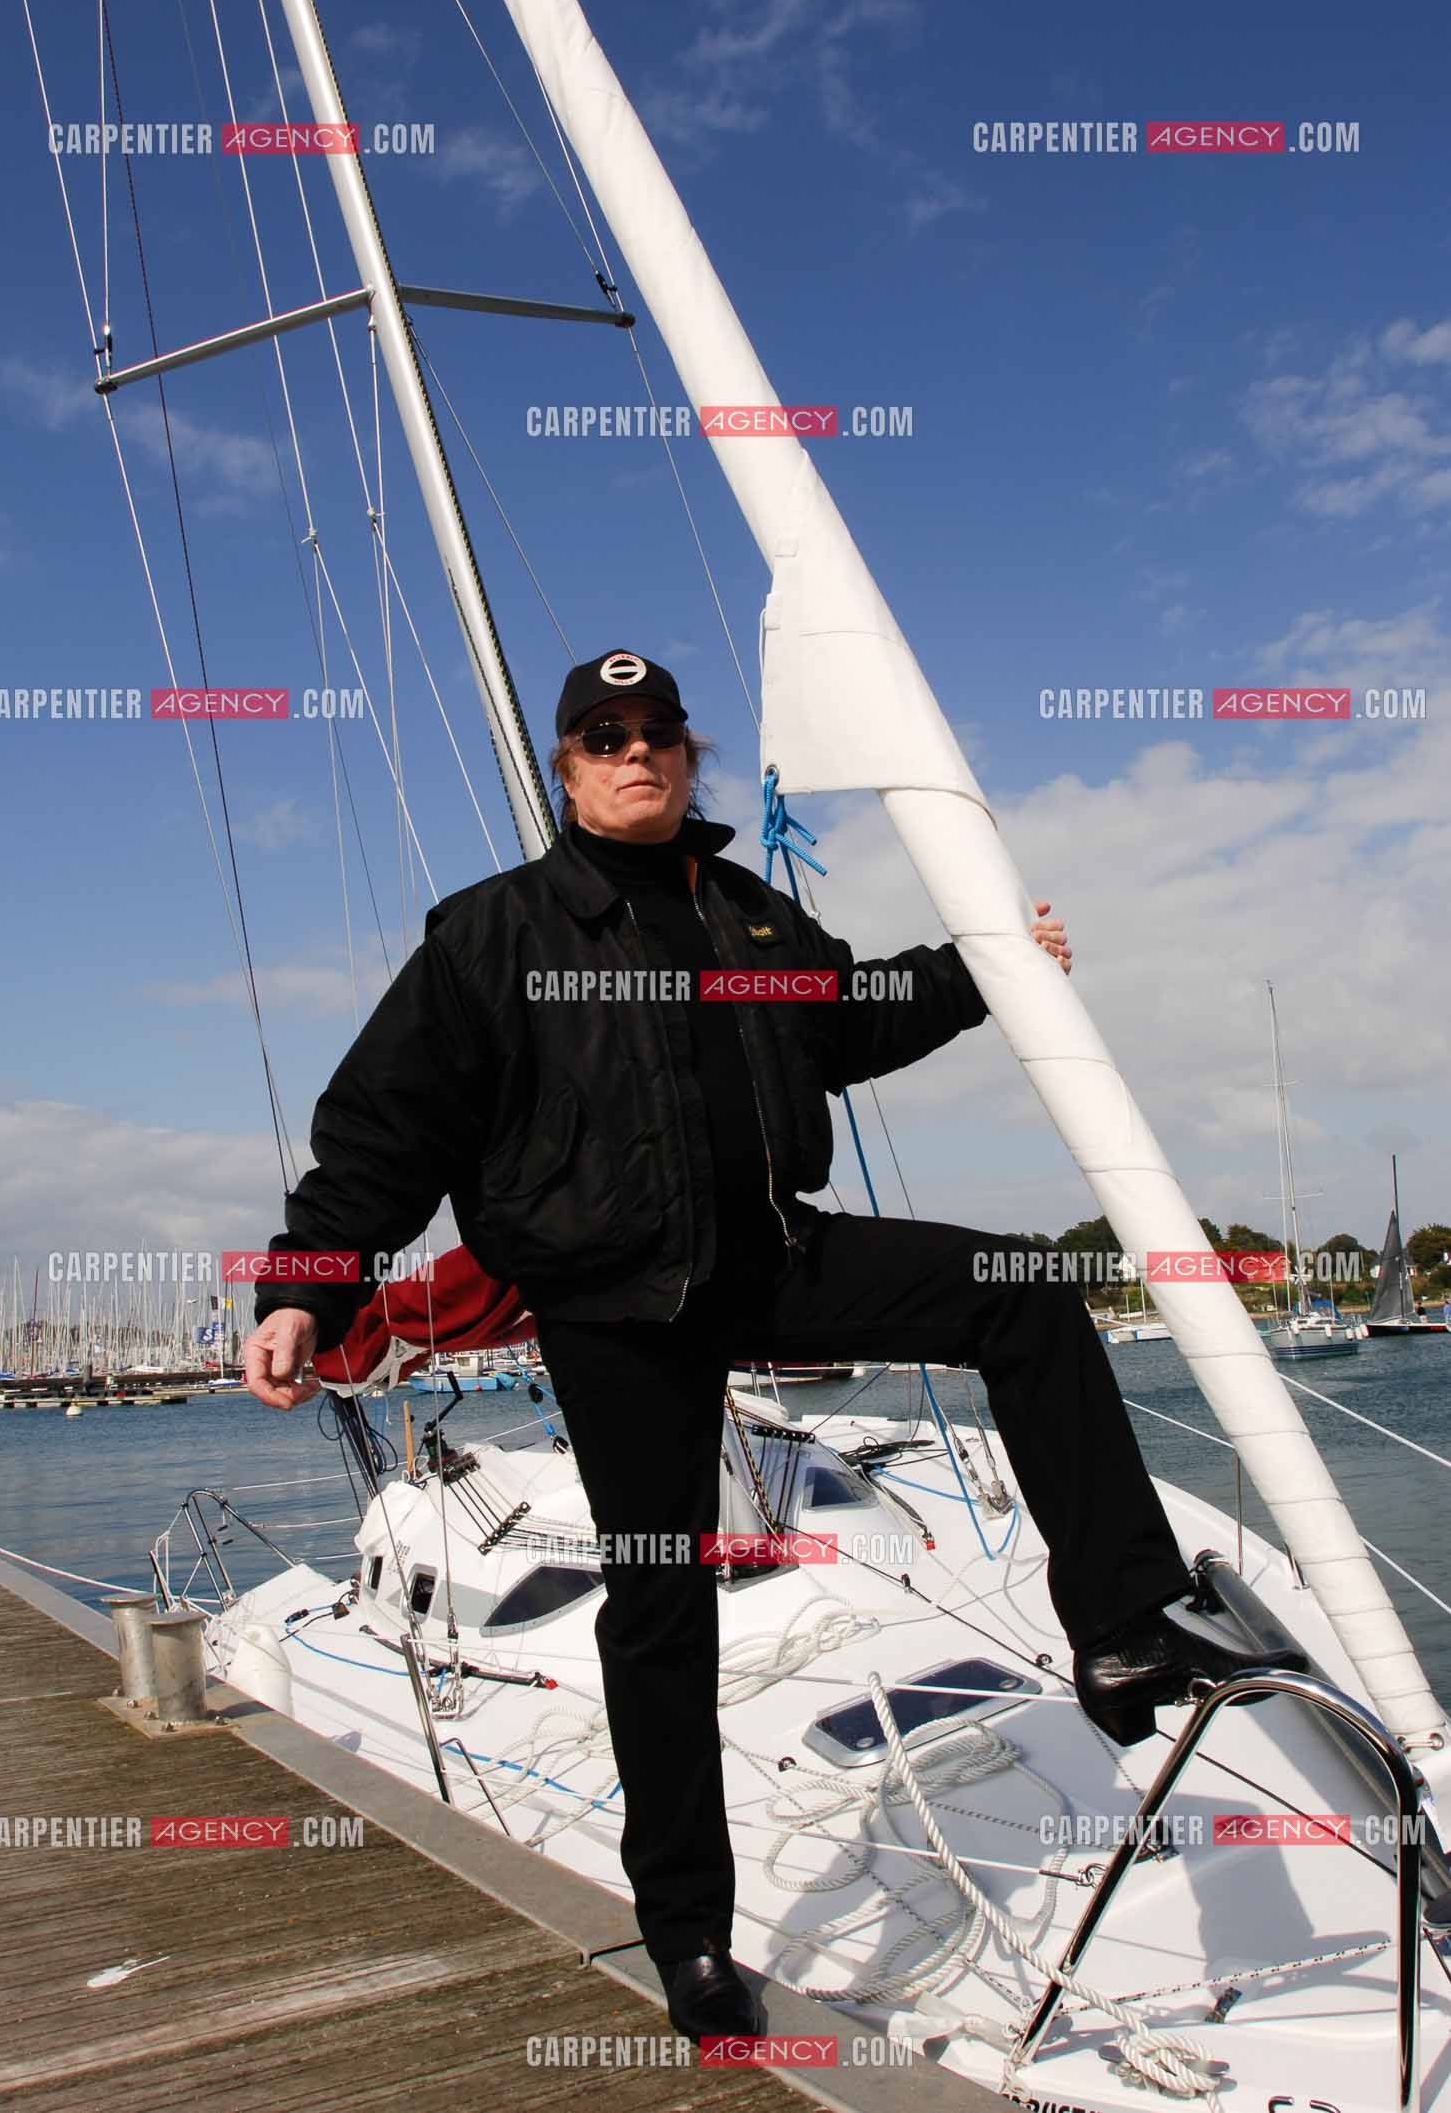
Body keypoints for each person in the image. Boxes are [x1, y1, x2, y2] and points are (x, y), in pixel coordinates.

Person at [241, 648, 1266, 2042]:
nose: (636, 751)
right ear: (568, 765)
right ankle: (691, 1939)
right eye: (605, 735)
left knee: (1023, 1285)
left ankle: (1120, 1625)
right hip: (616, 1309)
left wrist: (985, 969)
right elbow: (382, 1129)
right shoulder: (496, 936)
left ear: (686, 753)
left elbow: (851, 1017)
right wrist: (305, 1284)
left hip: (774, 1257)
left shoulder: (747, 916)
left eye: (658, 729)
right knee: (662, 1611)